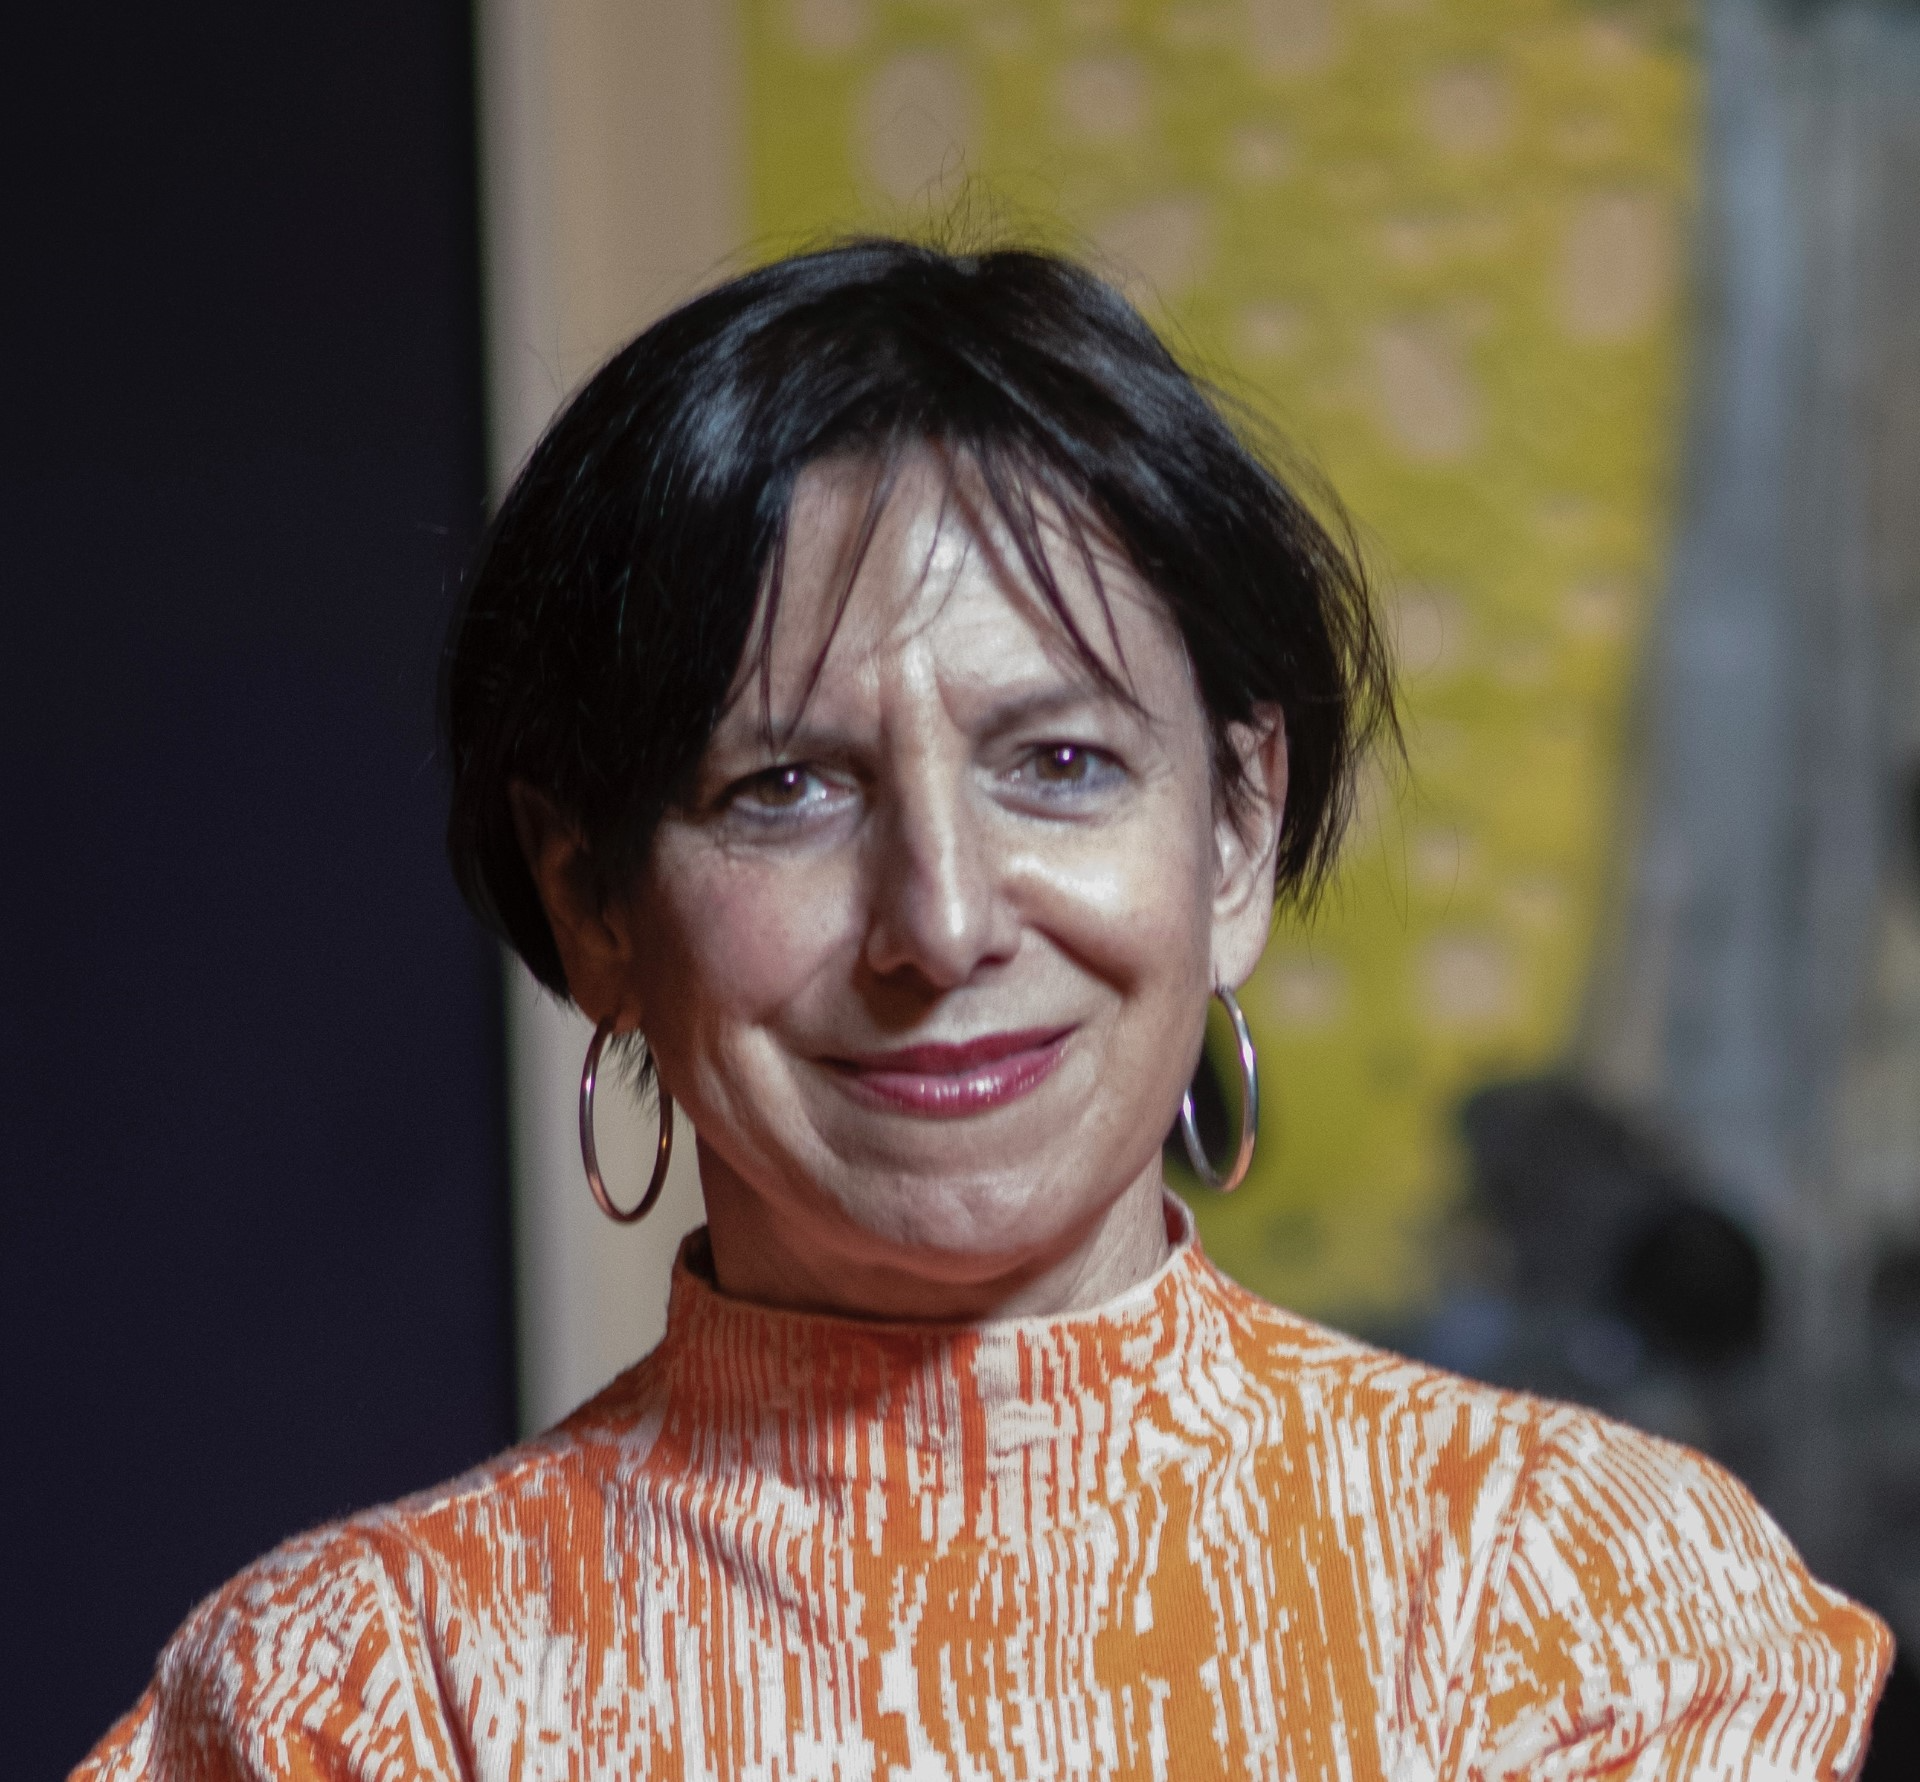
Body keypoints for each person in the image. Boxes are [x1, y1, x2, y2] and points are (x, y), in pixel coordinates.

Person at [75, 238, 1889, 1780]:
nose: (939, 922)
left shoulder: (1592, 1604)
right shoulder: (355, 1703)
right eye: (781, 787)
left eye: (1063, 761)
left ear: (1238, 833)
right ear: (591, 898)